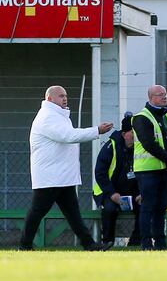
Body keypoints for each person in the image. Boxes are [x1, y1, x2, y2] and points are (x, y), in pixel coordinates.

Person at [20, 86, 114, 251]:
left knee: (73, 214)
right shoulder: (47, 117)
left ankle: (89, 245)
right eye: (61, 96)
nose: (65, 99)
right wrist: (96, 130)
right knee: (37, 212)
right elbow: (68, 136)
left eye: (66, 96)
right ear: (50, 99)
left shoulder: (59, 116)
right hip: (50, 177)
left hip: (61, 176)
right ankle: (24, 245)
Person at [132, 85, 167, 250]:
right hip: (147, 170)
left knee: (161, 207)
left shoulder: (166, 116)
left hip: (164, 169)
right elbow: (148, 144)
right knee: (148, 206)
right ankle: (146, 243)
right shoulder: (141, 117)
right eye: (160, 95)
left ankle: (160, 243)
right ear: (151, 97)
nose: (164, 97)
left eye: (164, 94)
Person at [93, 112, 141, 247]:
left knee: (145, 207)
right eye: (132, 132)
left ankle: (135, 243)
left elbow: (143, 173)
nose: (135, 136)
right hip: (109, 192)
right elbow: (100, 173)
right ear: (124, 134)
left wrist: (140, 193)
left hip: (132, 192)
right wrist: (111, 193)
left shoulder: (141, 148)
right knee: (110, 209)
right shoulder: (110, 147)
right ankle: (108, 242)